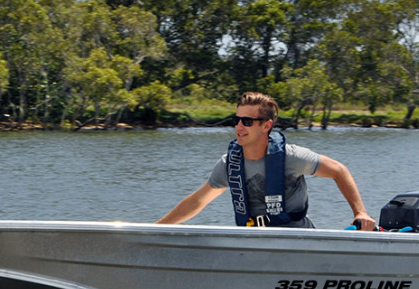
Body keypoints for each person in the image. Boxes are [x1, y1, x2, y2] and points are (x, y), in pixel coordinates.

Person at [157, 92, 377, 230]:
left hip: (299, 240)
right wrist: (153, 229)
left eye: (247, 121)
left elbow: (339, 170)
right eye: (236, 120)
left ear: (266, 126)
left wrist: (360, 212)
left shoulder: (291, 157)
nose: (239, 127)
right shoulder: (228, 165)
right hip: (255, 243)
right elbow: (198, 201)